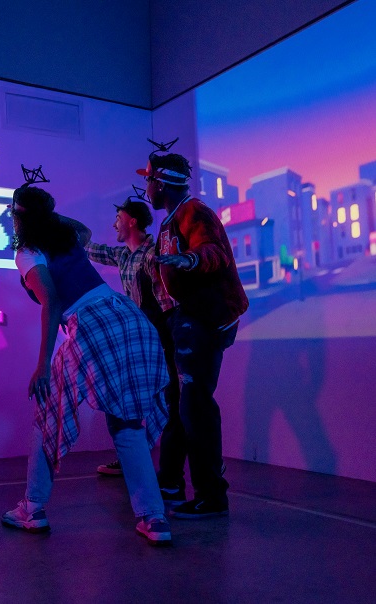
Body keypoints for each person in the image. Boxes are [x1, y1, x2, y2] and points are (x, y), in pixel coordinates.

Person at [0, 169, 172, 545]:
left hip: (92, 324)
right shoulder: (66, 237)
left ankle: (33, 508)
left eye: (13, 214)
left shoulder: (27, 252)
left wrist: (42, 365)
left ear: (19, 217)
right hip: (126, 317)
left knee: (48, 414)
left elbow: (52, 301)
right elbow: (85, 230)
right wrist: (46, 214)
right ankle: (154, 519)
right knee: (127, 422)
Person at [138, 146, 249, 518]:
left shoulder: (193, 212)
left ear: (161, 183)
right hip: (185, 321)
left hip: (204, 321)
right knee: (183, 404)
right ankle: (173, 483)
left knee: (195, 406)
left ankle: (211, 496)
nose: (146, 187)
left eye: (148, 179)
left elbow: (214, 251)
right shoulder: (169, 222)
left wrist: (190, 259)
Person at [77, 192, 179, 481]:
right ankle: (133, 459)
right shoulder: (123, 255)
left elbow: (166, 303)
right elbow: (91, 249)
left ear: (132, 221)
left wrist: (169, 338)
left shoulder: (153, 254)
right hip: (139, 339)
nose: (114, 224)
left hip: (160, 337)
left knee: (169, 399)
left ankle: (170, 473)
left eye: (118, 218)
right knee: (131, 397)